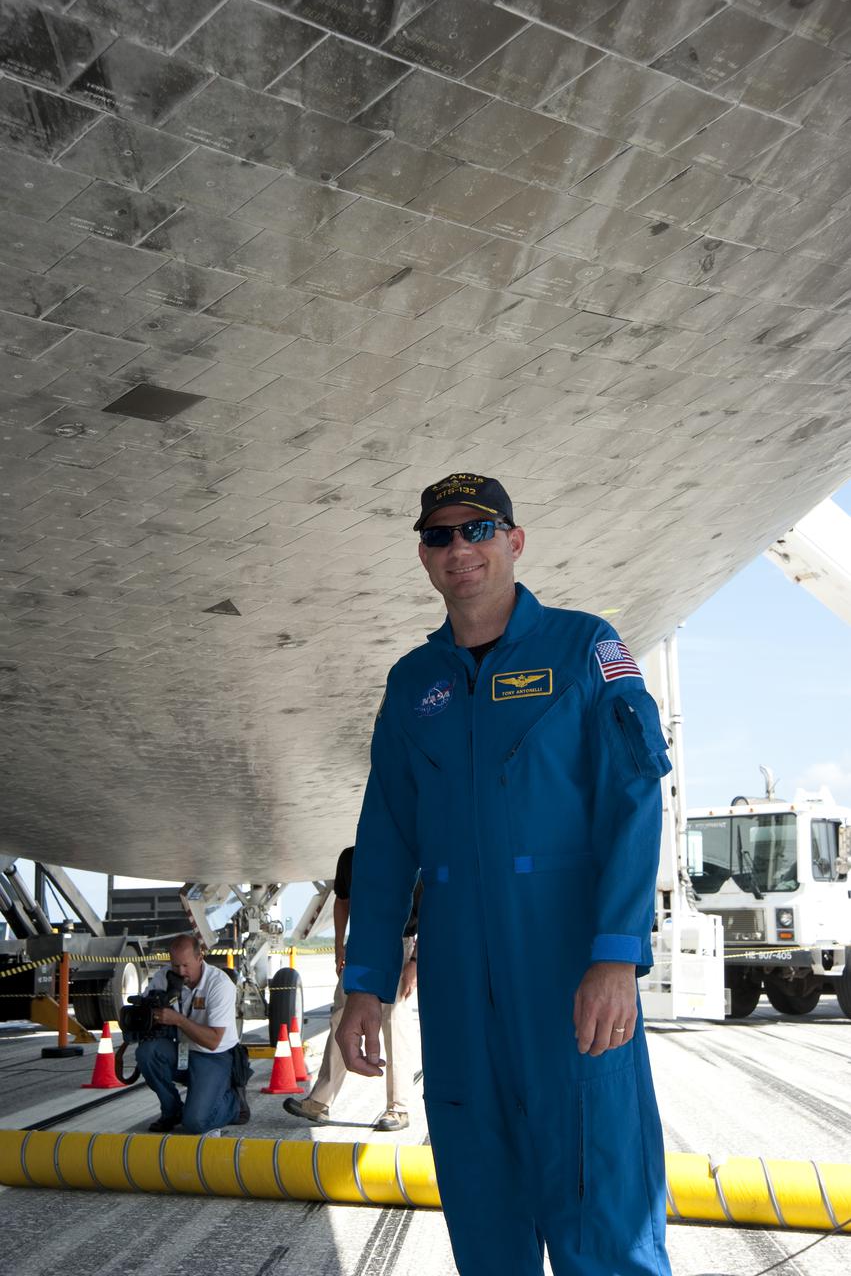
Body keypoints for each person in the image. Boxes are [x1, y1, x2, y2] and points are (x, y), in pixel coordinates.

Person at [336, 473, 673, 1276]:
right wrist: (364, 984)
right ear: (423, 557)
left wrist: (615, 954)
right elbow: (383, 840)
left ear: (514, 542)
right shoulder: (412, 683)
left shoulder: (585, 647)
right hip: (456, 989)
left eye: (478, 530)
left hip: (567, 974)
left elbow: (632, 801)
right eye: (440, 536)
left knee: (603, 1208)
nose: (460, 549)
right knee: (483, 1213)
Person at [284, 845, 419, 1131]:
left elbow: (430, 912)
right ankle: (320, 1102)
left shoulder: (411, 858)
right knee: (341, 1020)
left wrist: (415, 963)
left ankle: (398, 1108)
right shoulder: (350, 858)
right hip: (360, 946)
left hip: (401, 945)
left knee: (393, 1023)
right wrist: (338, 947)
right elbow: (342, 901)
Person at [137, 934, 247, 1135]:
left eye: (186, 965)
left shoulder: (219, 984)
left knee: (196, 1123)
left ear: (199, 958)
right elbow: (143, 1011)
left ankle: (233, 1102)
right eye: (175, 965)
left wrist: (177, 1019)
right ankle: (172, 1111)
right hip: (183, 1050)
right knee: (147, 1052)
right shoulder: (164, 977)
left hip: (214, 1056)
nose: (180, 971)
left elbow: (213, 1041)